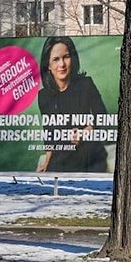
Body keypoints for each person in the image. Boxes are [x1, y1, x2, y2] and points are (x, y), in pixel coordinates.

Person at [36, 37, 111, 172]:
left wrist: (84, 132)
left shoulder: (85, 84)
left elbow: (101, 113)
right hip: (62, 153)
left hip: (88, 151)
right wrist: (47, 161)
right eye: (56, 59)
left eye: (66, 57)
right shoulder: (43, 96)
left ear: (72, 58)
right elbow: (49, 132)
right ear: (48, 65)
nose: (62, 64)